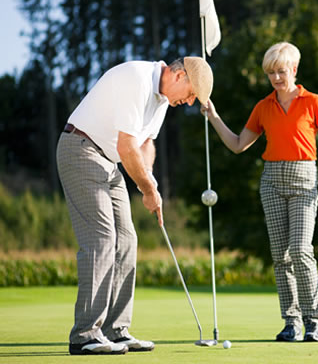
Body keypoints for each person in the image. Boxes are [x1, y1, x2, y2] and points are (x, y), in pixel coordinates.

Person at [56, 57, 213, 355]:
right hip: (80, 149)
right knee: (102, 240)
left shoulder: (163, 100)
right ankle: (85, 334)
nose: (190, 102)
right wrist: (147, 189)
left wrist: (150, 181)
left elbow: (144, 144)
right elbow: (126, 147)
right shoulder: (137, 78)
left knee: (127, 240)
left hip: (107, 162)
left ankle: (115, 330)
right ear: (179, 75)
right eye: (192, 94)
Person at [201, 42, 318, 342]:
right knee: (280, 256)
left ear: (294, 69)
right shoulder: (263, 107)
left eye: (281, 71)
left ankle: (313, 321)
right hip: (271, 181)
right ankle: (291, 322)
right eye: (271, 73)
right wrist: (213, 116)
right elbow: (239, 144)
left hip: (305, 181)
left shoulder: (313, 101)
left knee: (301, 250)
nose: (277, 78)